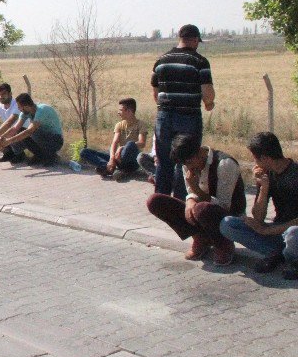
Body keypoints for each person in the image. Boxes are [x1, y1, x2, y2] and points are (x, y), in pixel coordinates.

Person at [220, 132, 298, 280]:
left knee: (294, 233)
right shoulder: (268, 175)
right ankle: (276, 253)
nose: (255, 163)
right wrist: (263, 187)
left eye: (255, 159)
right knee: (228, 224)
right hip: (278, 232)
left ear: (265, 158)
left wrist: (267, 231)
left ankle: (295, 260)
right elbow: (258, 217)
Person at [146, 134, 244, 266]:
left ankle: (223, 244)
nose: (188, 167)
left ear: (198, 152)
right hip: (202, 213)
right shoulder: (188, 163)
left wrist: (195, 189)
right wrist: (190, 201)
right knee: (155, 201)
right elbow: (191, 193)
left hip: (229, 217)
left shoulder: (224, 164)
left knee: (201, 209)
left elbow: (224, 205)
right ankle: (200, 238)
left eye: (189, 162)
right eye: (184, 164)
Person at [151, 24, 215, 199]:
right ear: (195, 40)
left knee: (164, 161)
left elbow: (156, 94)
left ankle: (161, 201)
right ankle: (180, 201)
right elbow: (208, 94)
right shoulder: (199, 61)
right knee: (186, 161)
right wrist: (209, 103)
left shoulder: (161, 61)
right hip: (188, 117)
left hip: (164, 116)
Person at [79, 97, 148, 181]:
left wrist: (122, 148)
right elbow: (114, 143)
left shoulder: (141, 124)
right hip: (118, 158)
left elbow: (142, 142)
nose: (118, 112)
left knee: (130, 144)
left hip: (131, 160)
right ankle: (111, 168)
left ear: (129, 111)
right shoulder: (119, 125)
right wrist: (112, 159)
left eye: (121, 110)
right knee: (84, 152)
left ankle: (109, 169)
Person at [0, 93, 64, 166]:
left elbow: (29, 131)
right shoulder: (25, 113)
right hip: (43, 137)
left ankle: (51, 156)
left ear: (26, 107)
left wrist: (8, 141)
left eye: (19, 107)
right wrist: (2, 138)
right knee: (21, 130)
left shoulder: (41, 110)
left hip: (56, 140)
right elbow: (15, 128)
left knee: (31, 132)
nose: (18, 109)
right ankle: (39, 155)